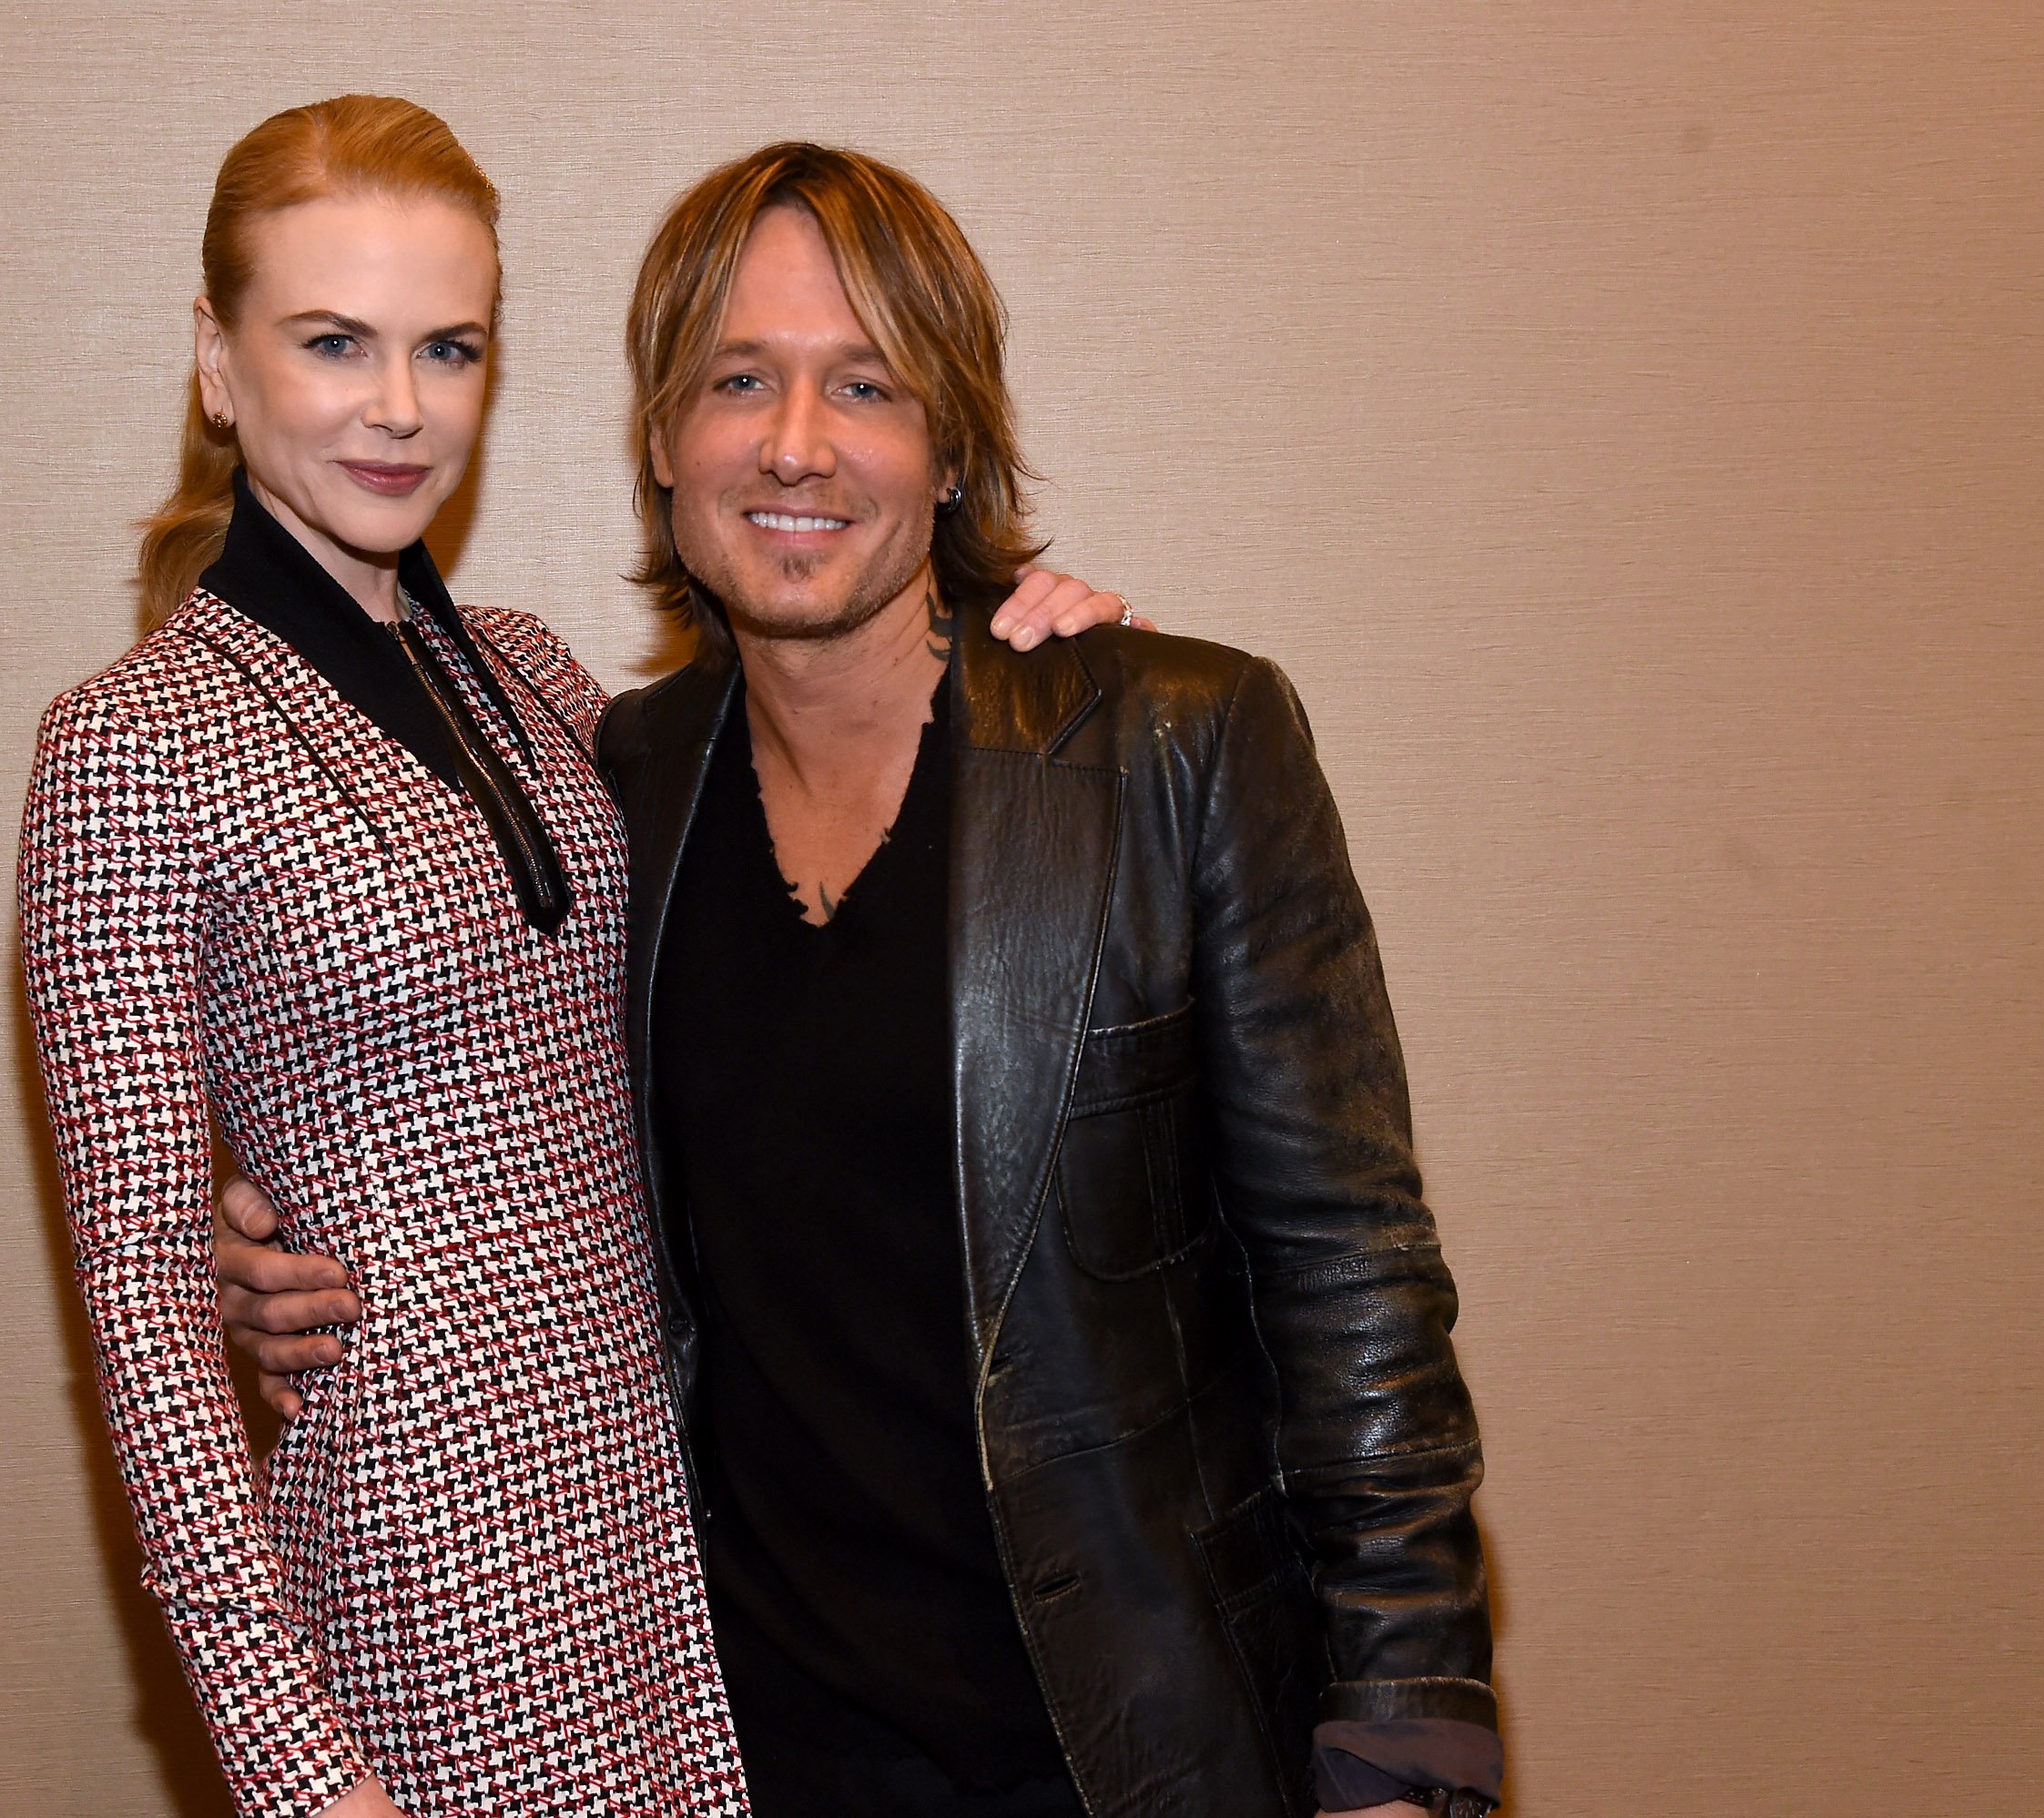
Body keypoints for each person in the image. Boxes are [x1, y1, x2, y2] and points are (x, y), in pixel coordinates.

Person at [219, 143, 1500, 1818]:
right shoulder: (618, 790)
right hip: (727, 1754)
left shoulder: (1175, 749)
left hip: (1128, 1753)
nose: (796, 444)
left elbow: (1357, 1291)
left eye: (867, 385)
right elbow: (469, 1105)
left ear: (951, 444)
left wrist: (1402, 1753)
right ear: (664, 441)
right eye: (738, 379)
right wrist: (276, 1238)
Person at [19, 99, 1133, 1818]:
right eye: (334, 343)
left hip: (677, 1545)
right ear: (216, 365)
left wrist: (1003, 638)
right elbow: (149, 1331)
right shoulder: (128, 745)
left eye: (446, 348)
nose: (399, 406)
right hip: (421, 1582)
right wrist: (303, 1775)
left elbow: (797, 838)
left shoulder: (539, 680)